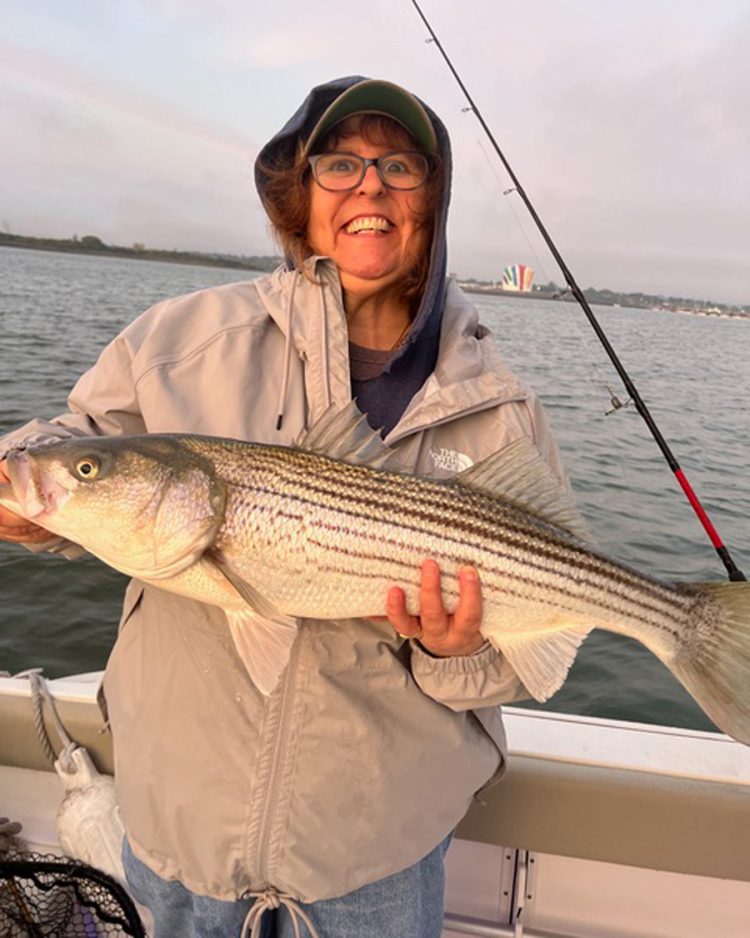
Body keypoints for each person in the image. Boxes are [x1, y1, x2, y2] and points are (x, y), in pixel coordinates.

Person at [0, 76, 567, 937]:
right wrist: (24, 484)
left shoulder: (501, 407)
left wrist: (458, 651)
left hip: (376, 858)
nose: (370, 187)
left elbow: (526, 659)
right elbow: (75, 443)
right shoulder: (181, 337)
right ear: (297, 199)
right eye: (339, 164)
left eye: (400, 166)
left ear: (433, 203)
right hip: (178, 828)